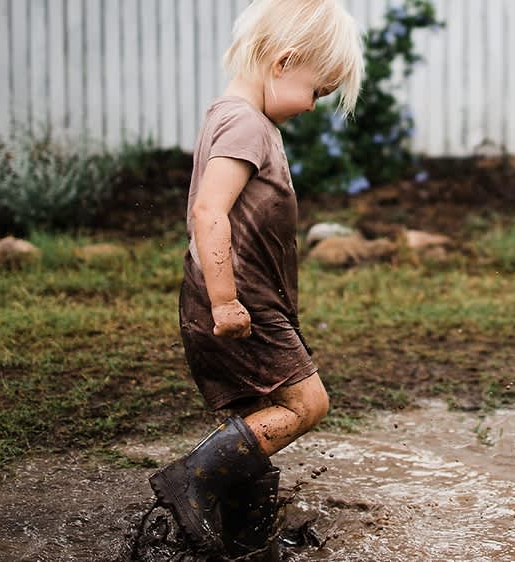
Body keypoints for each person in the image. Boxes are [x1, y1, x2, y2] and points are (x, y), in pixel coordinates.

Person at [149, 0, 364, 556]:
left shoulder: (240, 117)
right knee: (306, 404)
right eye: (317, 91)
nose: (315, 107)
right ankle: (193, 478)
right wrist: (225, 301)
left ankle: (245, 532)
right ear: (285, 61)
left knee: (254, 415)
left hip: (246, 299)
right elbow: (208, 212)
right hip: (241, 302)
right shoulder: (245, 122)